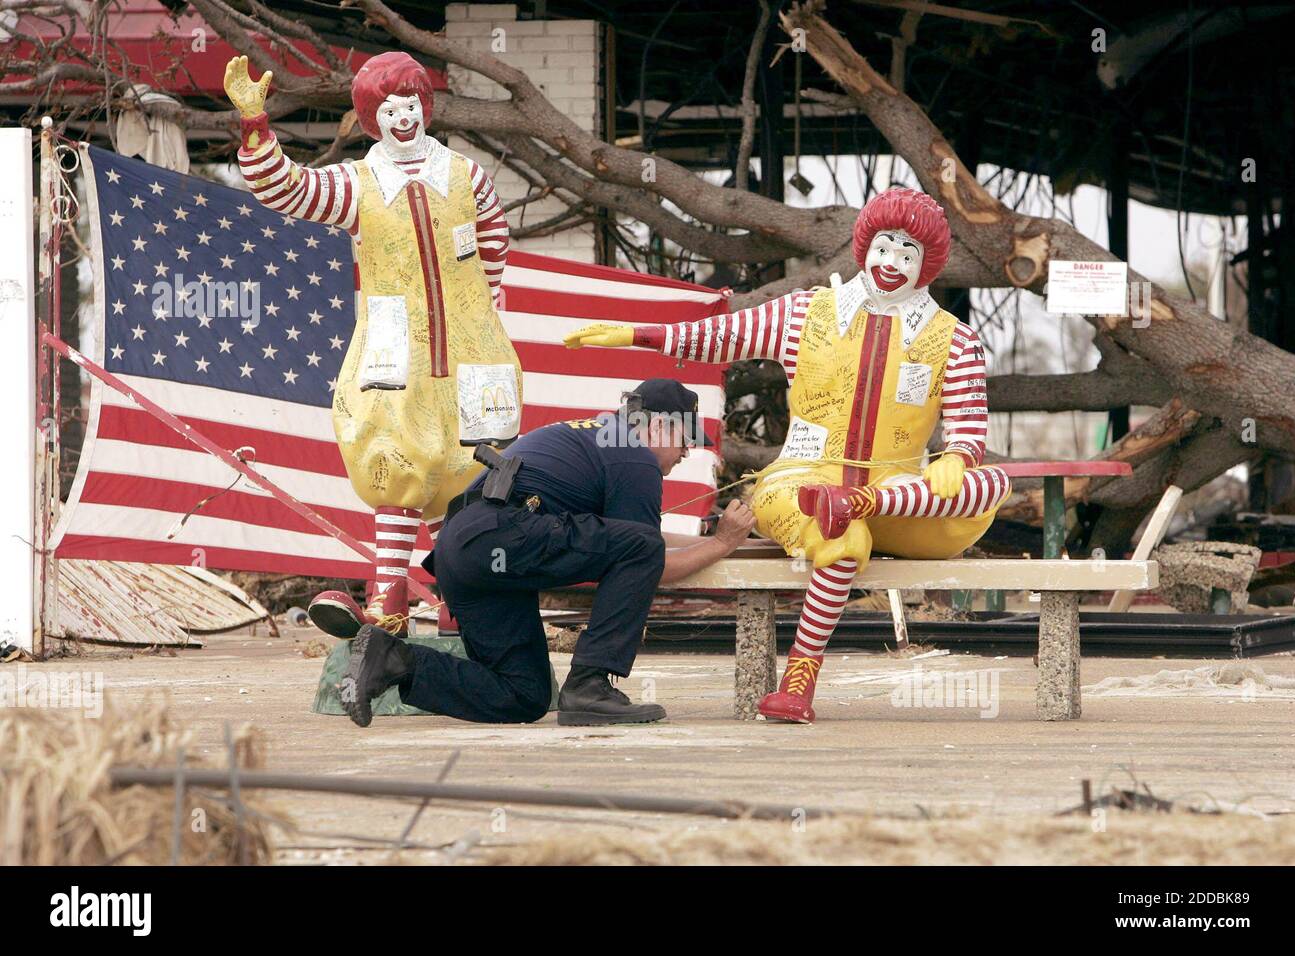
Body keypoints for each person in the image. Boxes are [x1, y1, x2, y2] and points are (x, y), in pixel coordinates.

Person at [564, 189, 1011, 723]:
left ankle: (859, 499)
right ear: (864, 245)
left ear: (927, 266)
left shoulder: (955, 341)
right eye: (886, 247)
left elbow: (968, 427)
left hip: (898, 499)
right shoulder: (809, 311)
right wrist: (638, 334)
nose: (893, 264)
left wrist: (956, 458)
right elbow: (722, 336)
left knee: (989, 486)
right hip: (802, 483)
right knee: (843, 537)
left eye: (909, 254)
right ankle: (799, 680)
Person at [224, 52, 519, 639]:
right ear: (370, 118)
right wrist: (256, 126)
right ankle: (388, 604)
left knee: (468, 475)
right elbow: (287, 190)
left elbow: (493, 243)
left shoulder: (466, 176)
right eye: (389, 108)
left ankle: (458, 605)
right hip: (394, 349)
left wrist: (481, 314)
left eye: (411, 104)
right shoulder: (359, 183)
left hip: (469, 346)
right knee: (396, 462)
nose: (403, 117)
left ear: (425, 108)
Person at [339, 379, 757, 728]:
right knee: (640, 546)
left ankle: (393, 658)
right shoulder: (635, 458)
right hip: (506, 535)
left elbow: (633, 545)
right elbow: (651, 559)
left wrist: (713, 537)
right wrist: (722, 545)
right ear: (661, 427)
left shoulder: (597, 438)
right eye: (686, 440)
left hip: (465, 550)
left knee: (523, 695)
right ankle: (590, 685)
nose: (686, 453)